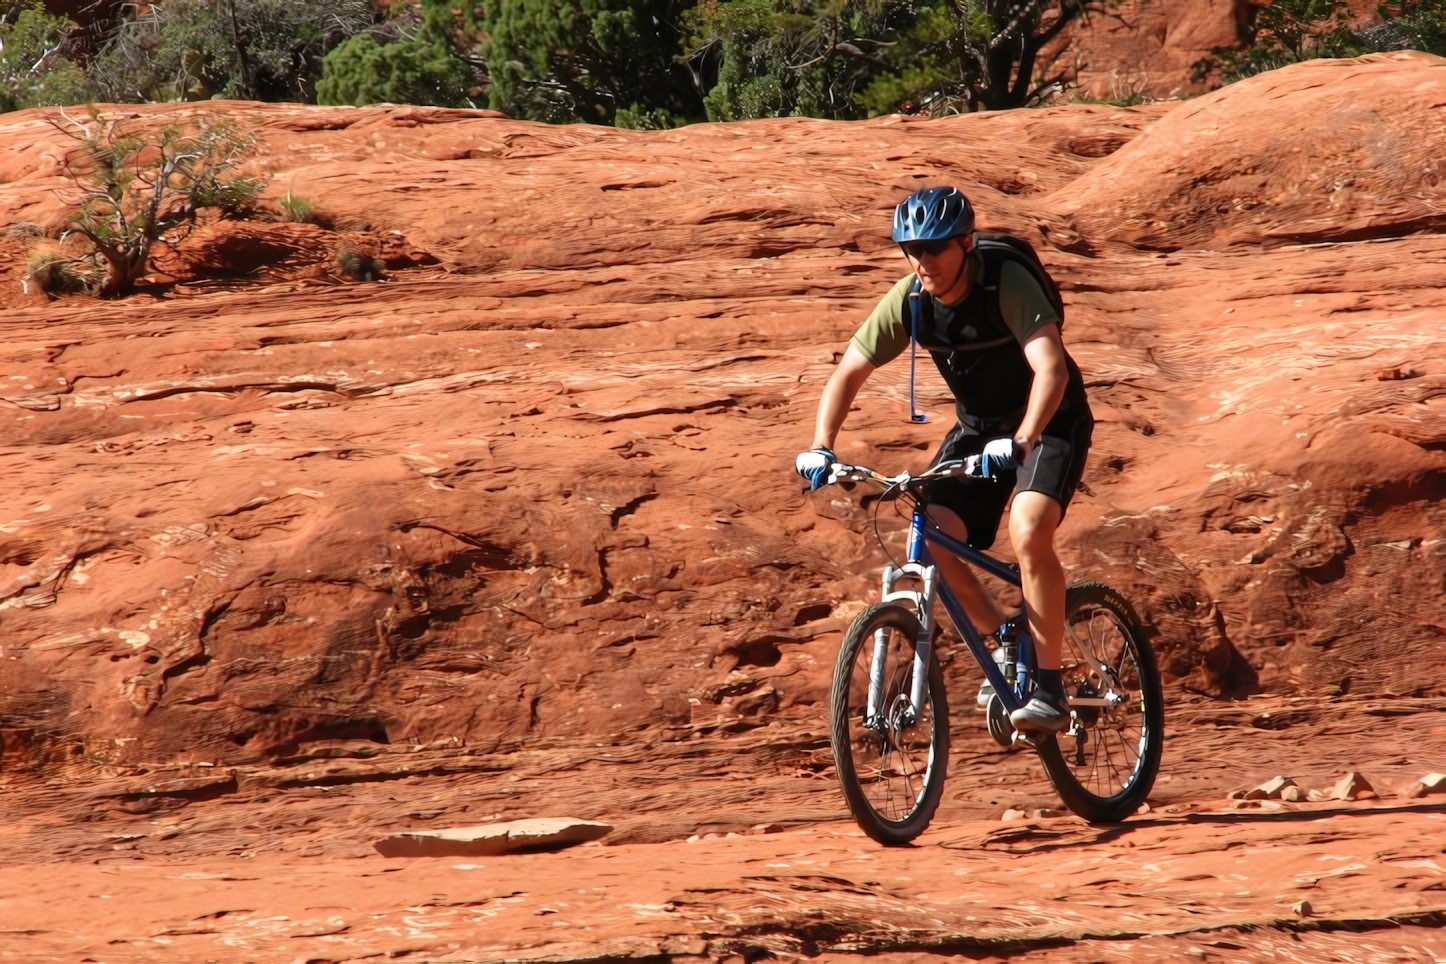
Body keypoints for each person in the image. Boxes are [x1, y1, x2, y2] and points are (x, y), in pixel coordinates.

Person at [795, 186, 1094, 733]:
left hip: (1049, 421)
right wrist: (822, 445)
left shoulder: (1004, 281)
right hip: (980, 429)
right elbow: (849, 371)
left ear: (966, 241)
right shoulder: (910, 299)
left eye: (934, 248)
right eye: (911, 249)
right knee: (930, 531)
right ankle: (1004, 634)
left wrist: (1024, 438)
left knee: (1029, 530)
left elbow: (1050, 369)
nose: (922, 261)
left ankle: (1050, 690)